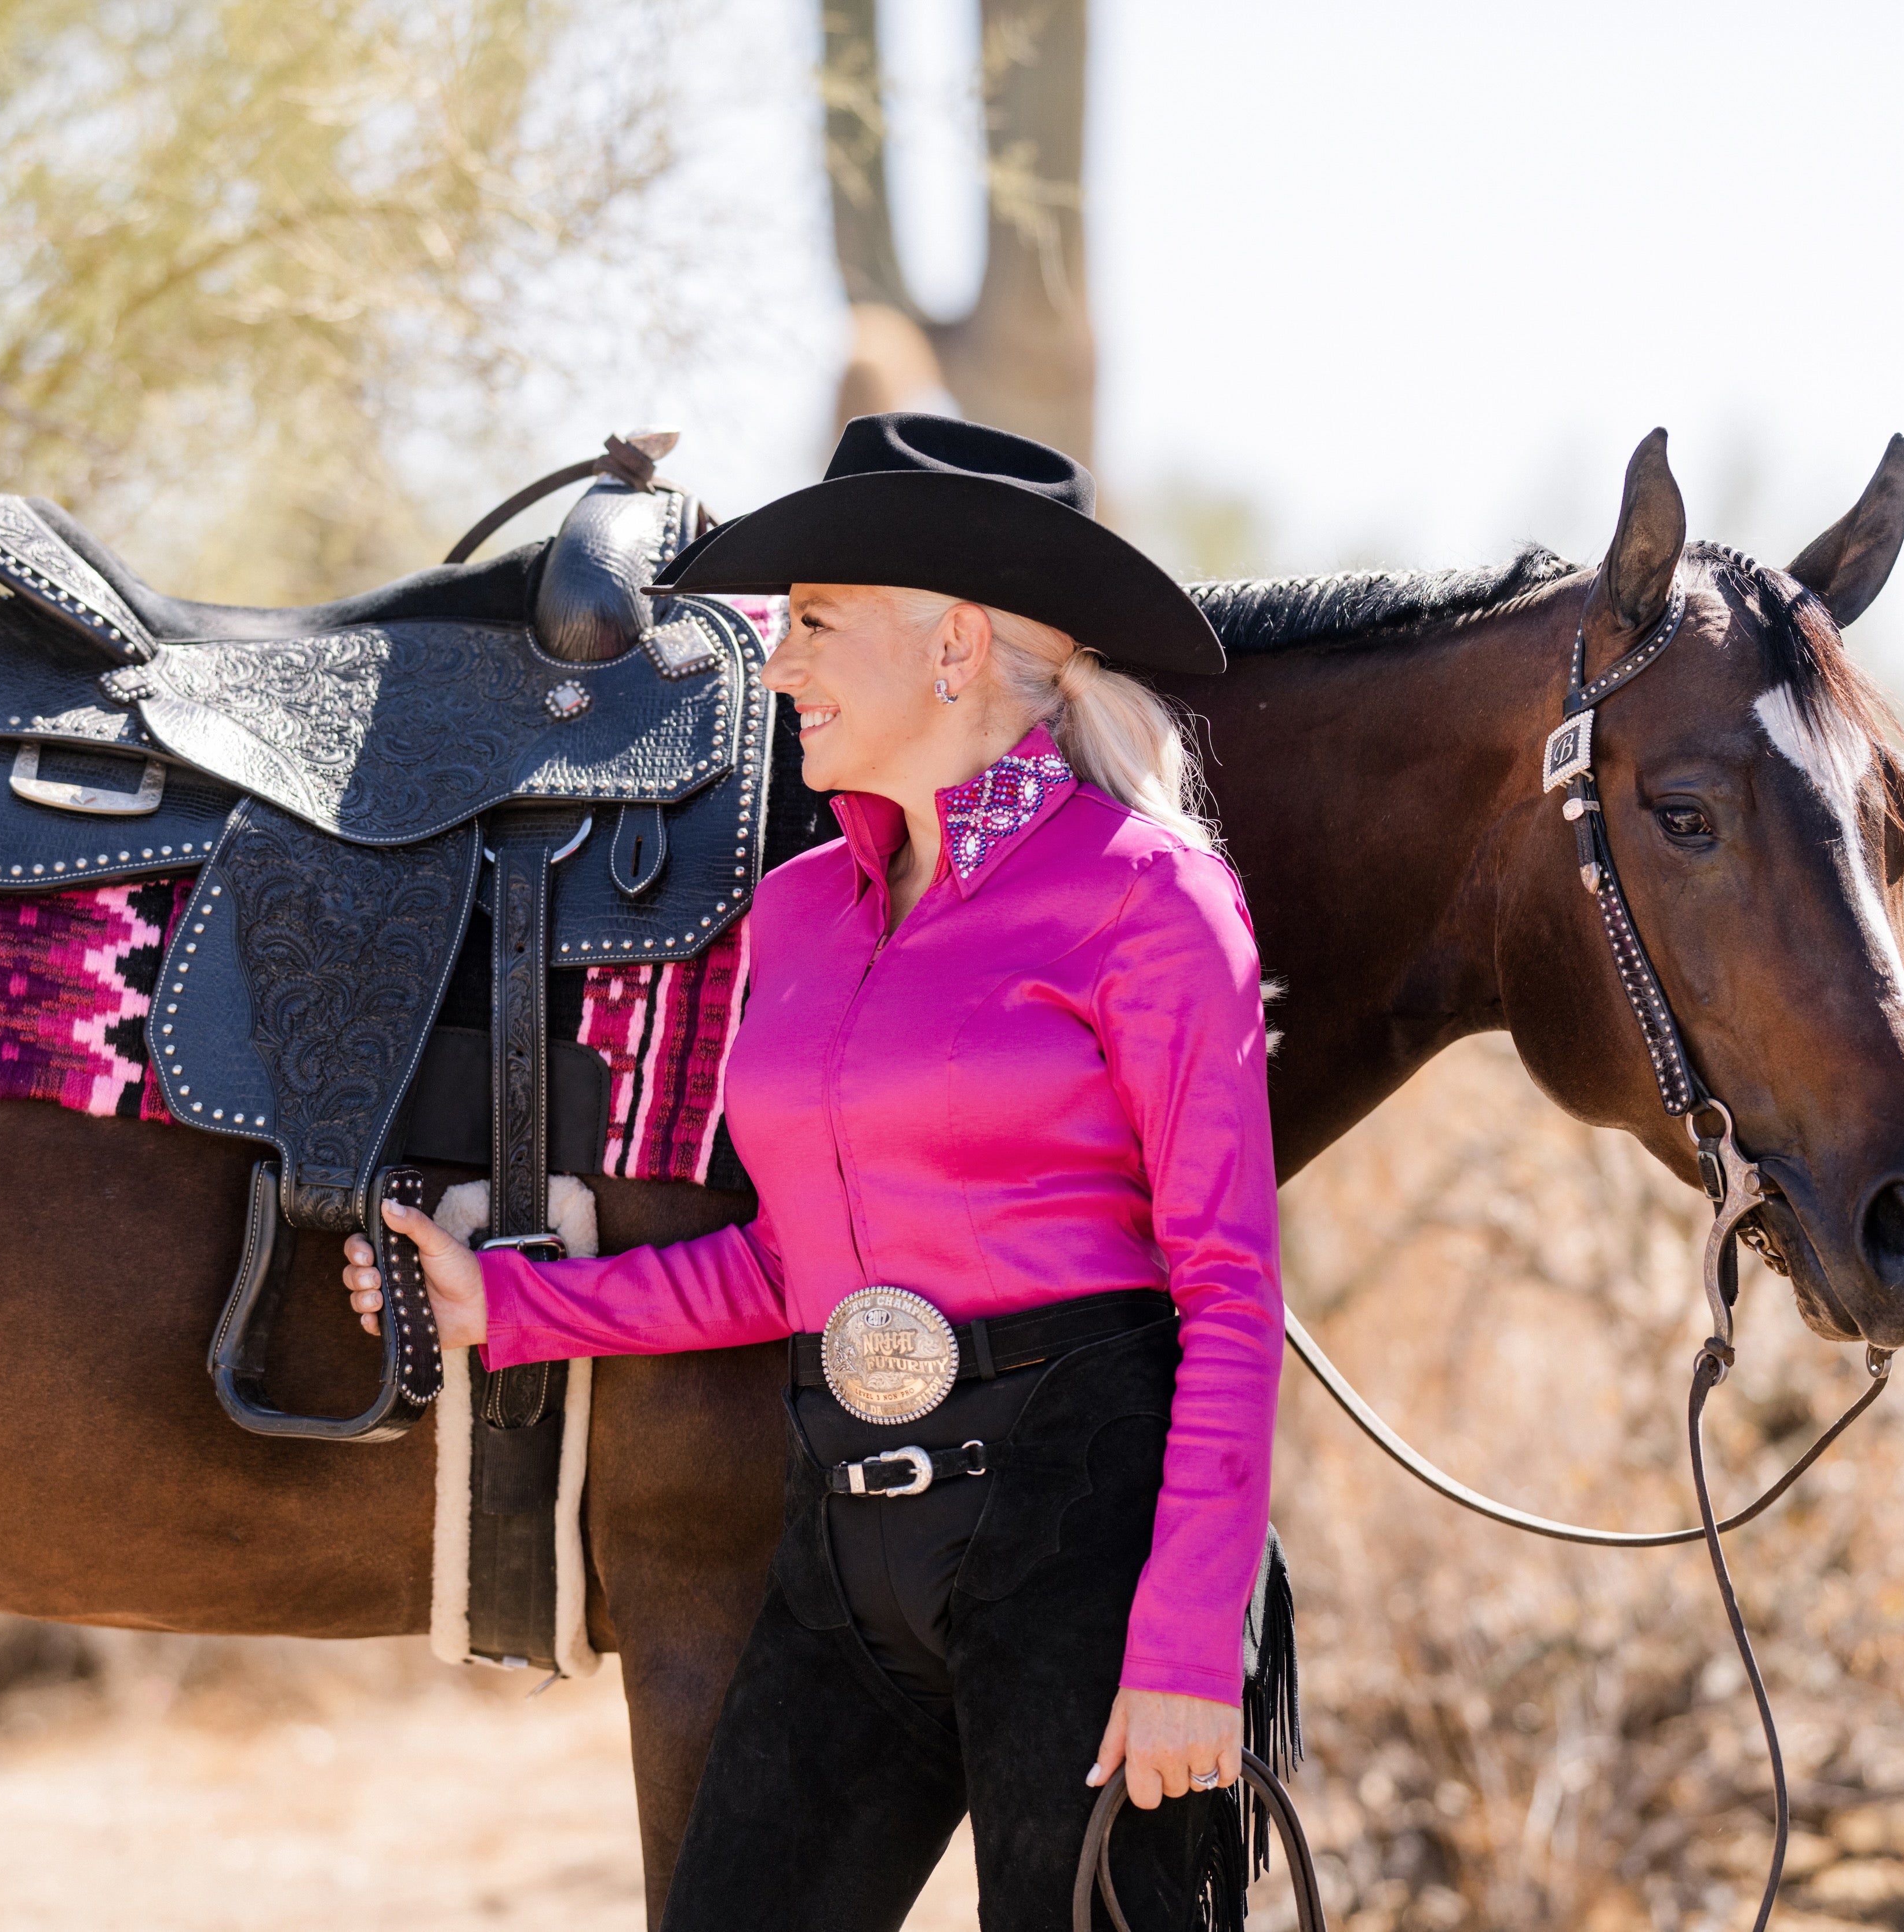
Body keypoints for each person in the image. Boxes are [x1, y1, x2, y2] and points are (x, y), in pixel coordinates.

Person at [344, 413, 1286, 1931]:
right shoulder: (798, 911)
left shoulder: (1148, 898)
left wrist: (1187, 1643)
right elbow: (793, 1264)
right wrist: (515, 1307)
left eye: (819, 626)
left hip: (1082, 1534)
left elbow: (1231, 1292)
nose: (777, 666)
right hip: (843, 1530)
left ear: (958, 649)